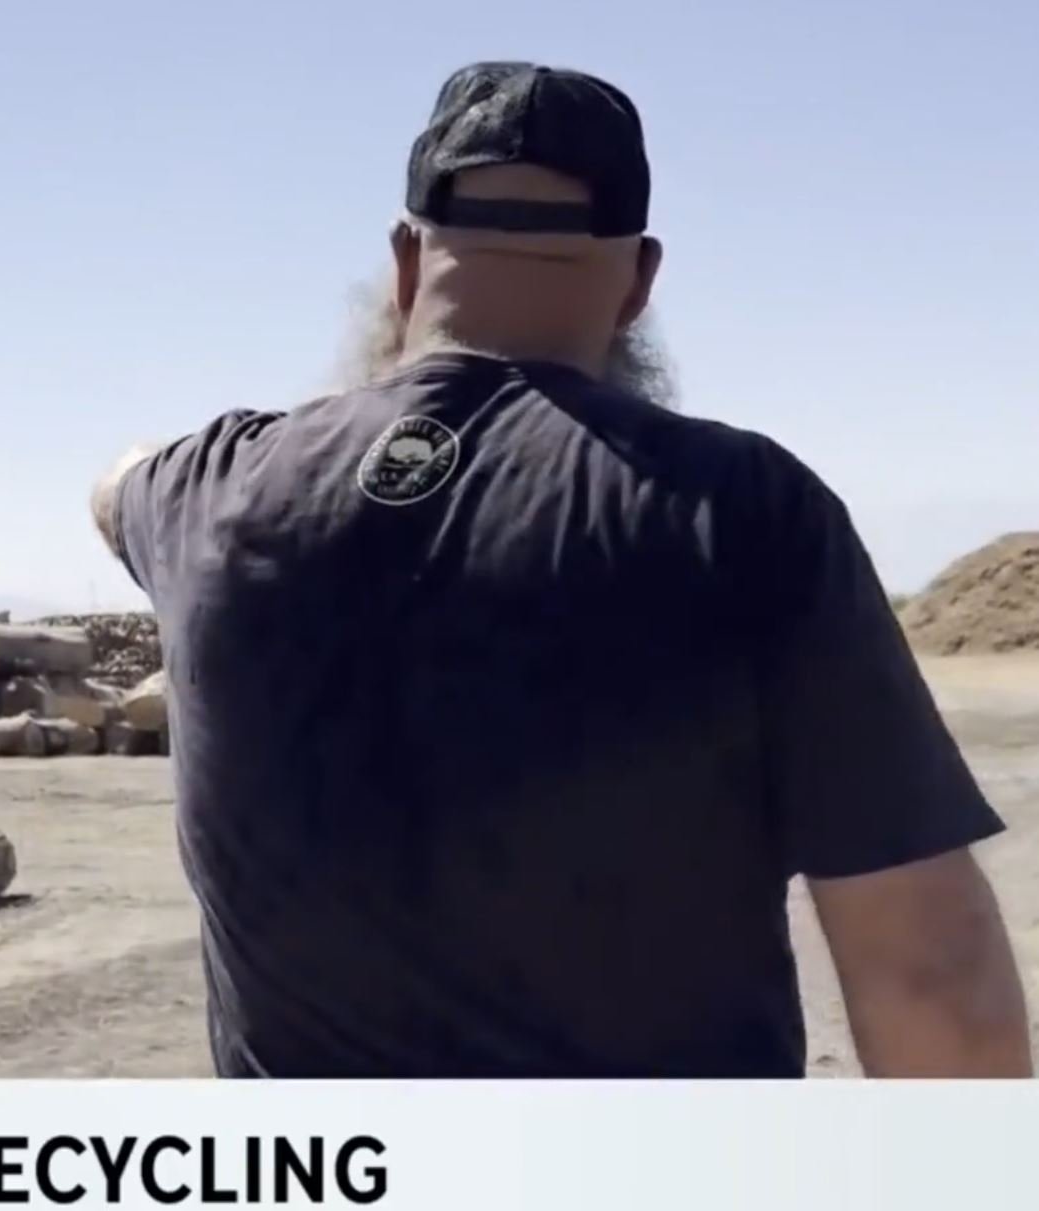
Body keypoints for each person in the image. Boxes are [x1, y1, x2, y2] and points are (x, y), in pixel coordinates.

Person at [91, 61, 1030, 1078]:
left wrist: (192, 472)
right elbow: (930, 976)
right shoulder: (749, 514)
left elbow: (114, 485)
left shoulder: (208, 490)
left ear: (406, 263)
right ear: (638, 282)